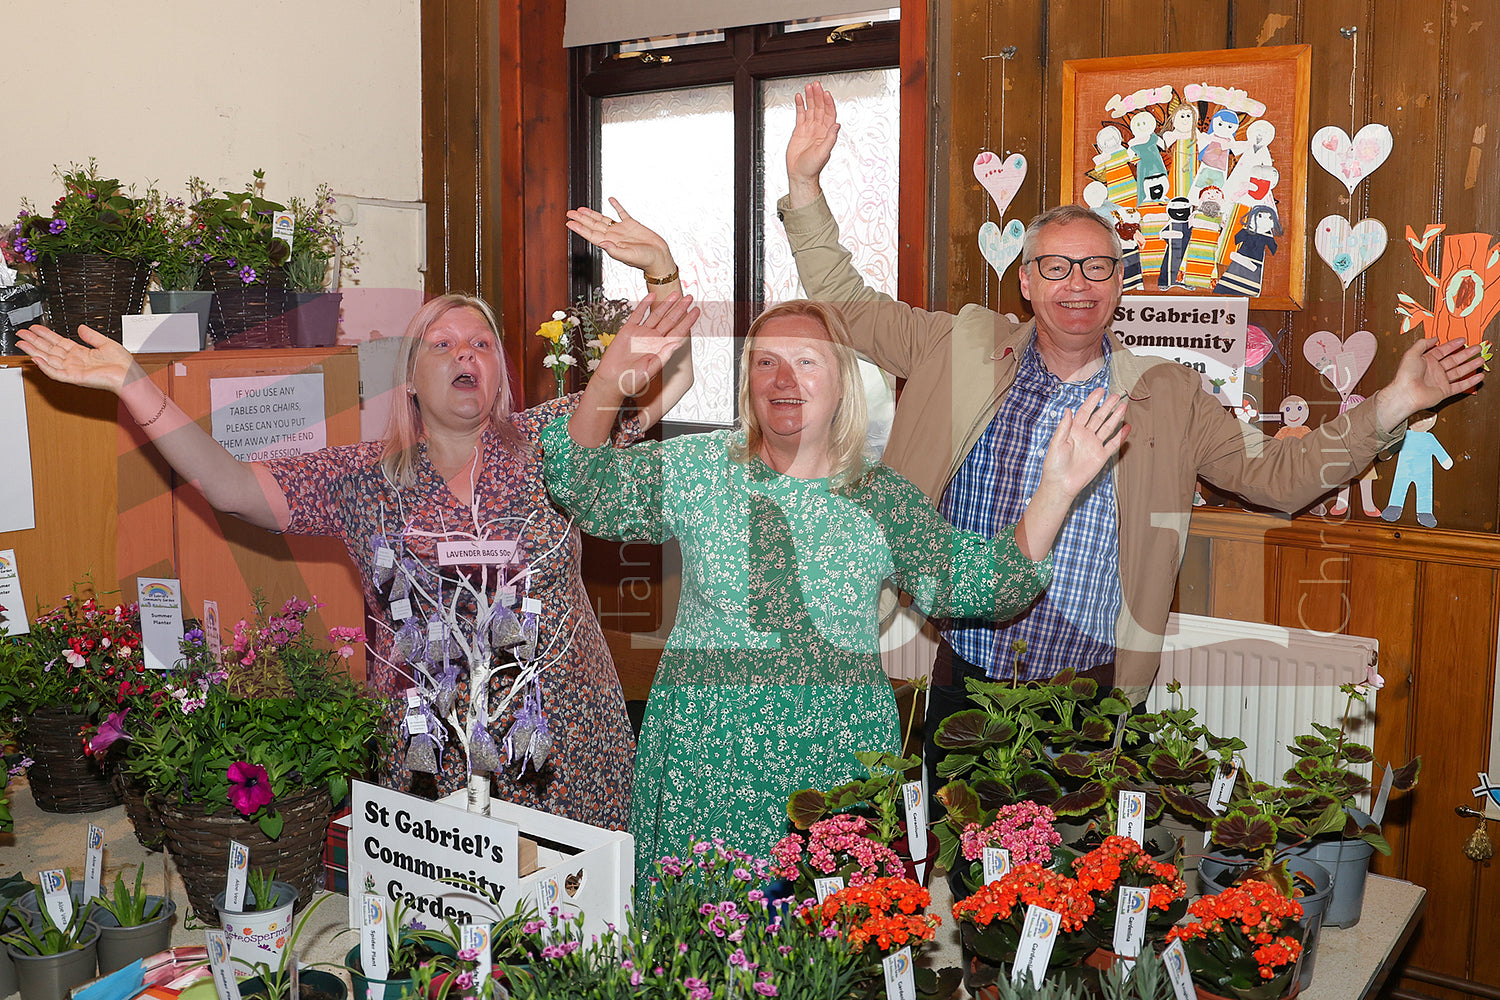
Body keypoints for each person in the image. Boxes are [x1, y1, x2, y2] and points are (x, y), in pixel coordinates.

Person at [776, 81, 1486, 772]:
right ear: (1025, 281)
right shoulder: (959, 346)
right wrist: (804, 186)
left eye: (1096, 268)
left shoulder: (1170, 394)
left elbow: (1280, 477)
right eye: (1055, 267)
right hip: (968, 672)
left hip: (1096, 691)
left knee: (1082, 885)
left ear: (1121, 283)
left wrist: (1395, 402)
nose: (1076, 285)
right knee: (969, 880)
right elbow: (845, 301)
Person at [16, 289, 695, 831]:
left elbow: (676, 376)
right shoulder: (362, 481)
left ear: (501, 373)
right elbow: (228, 486)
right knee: (448, 950)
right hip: (434, 767)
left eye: (482, 343)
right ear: (409, 379)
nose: (467, 353)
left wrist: (660, 278)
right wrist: (137, 386)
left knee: (574, 945)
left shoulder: (555, 436)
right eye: (444, 343)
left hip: (566, 751)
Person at [540, 293, 1127, 885]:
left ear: (844, 382)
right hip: (705, 759)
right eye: (765, 362)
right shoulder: (699, 469)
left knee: (827, 960)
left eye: (808, 360)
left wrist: (1056, 490)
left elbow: (985, 584)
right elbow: (583, 484)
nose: (784, 379)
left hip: (836, 761)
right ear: (747, 384)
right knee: (703, 953)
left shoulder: (882, 499)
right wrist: (611, 378)